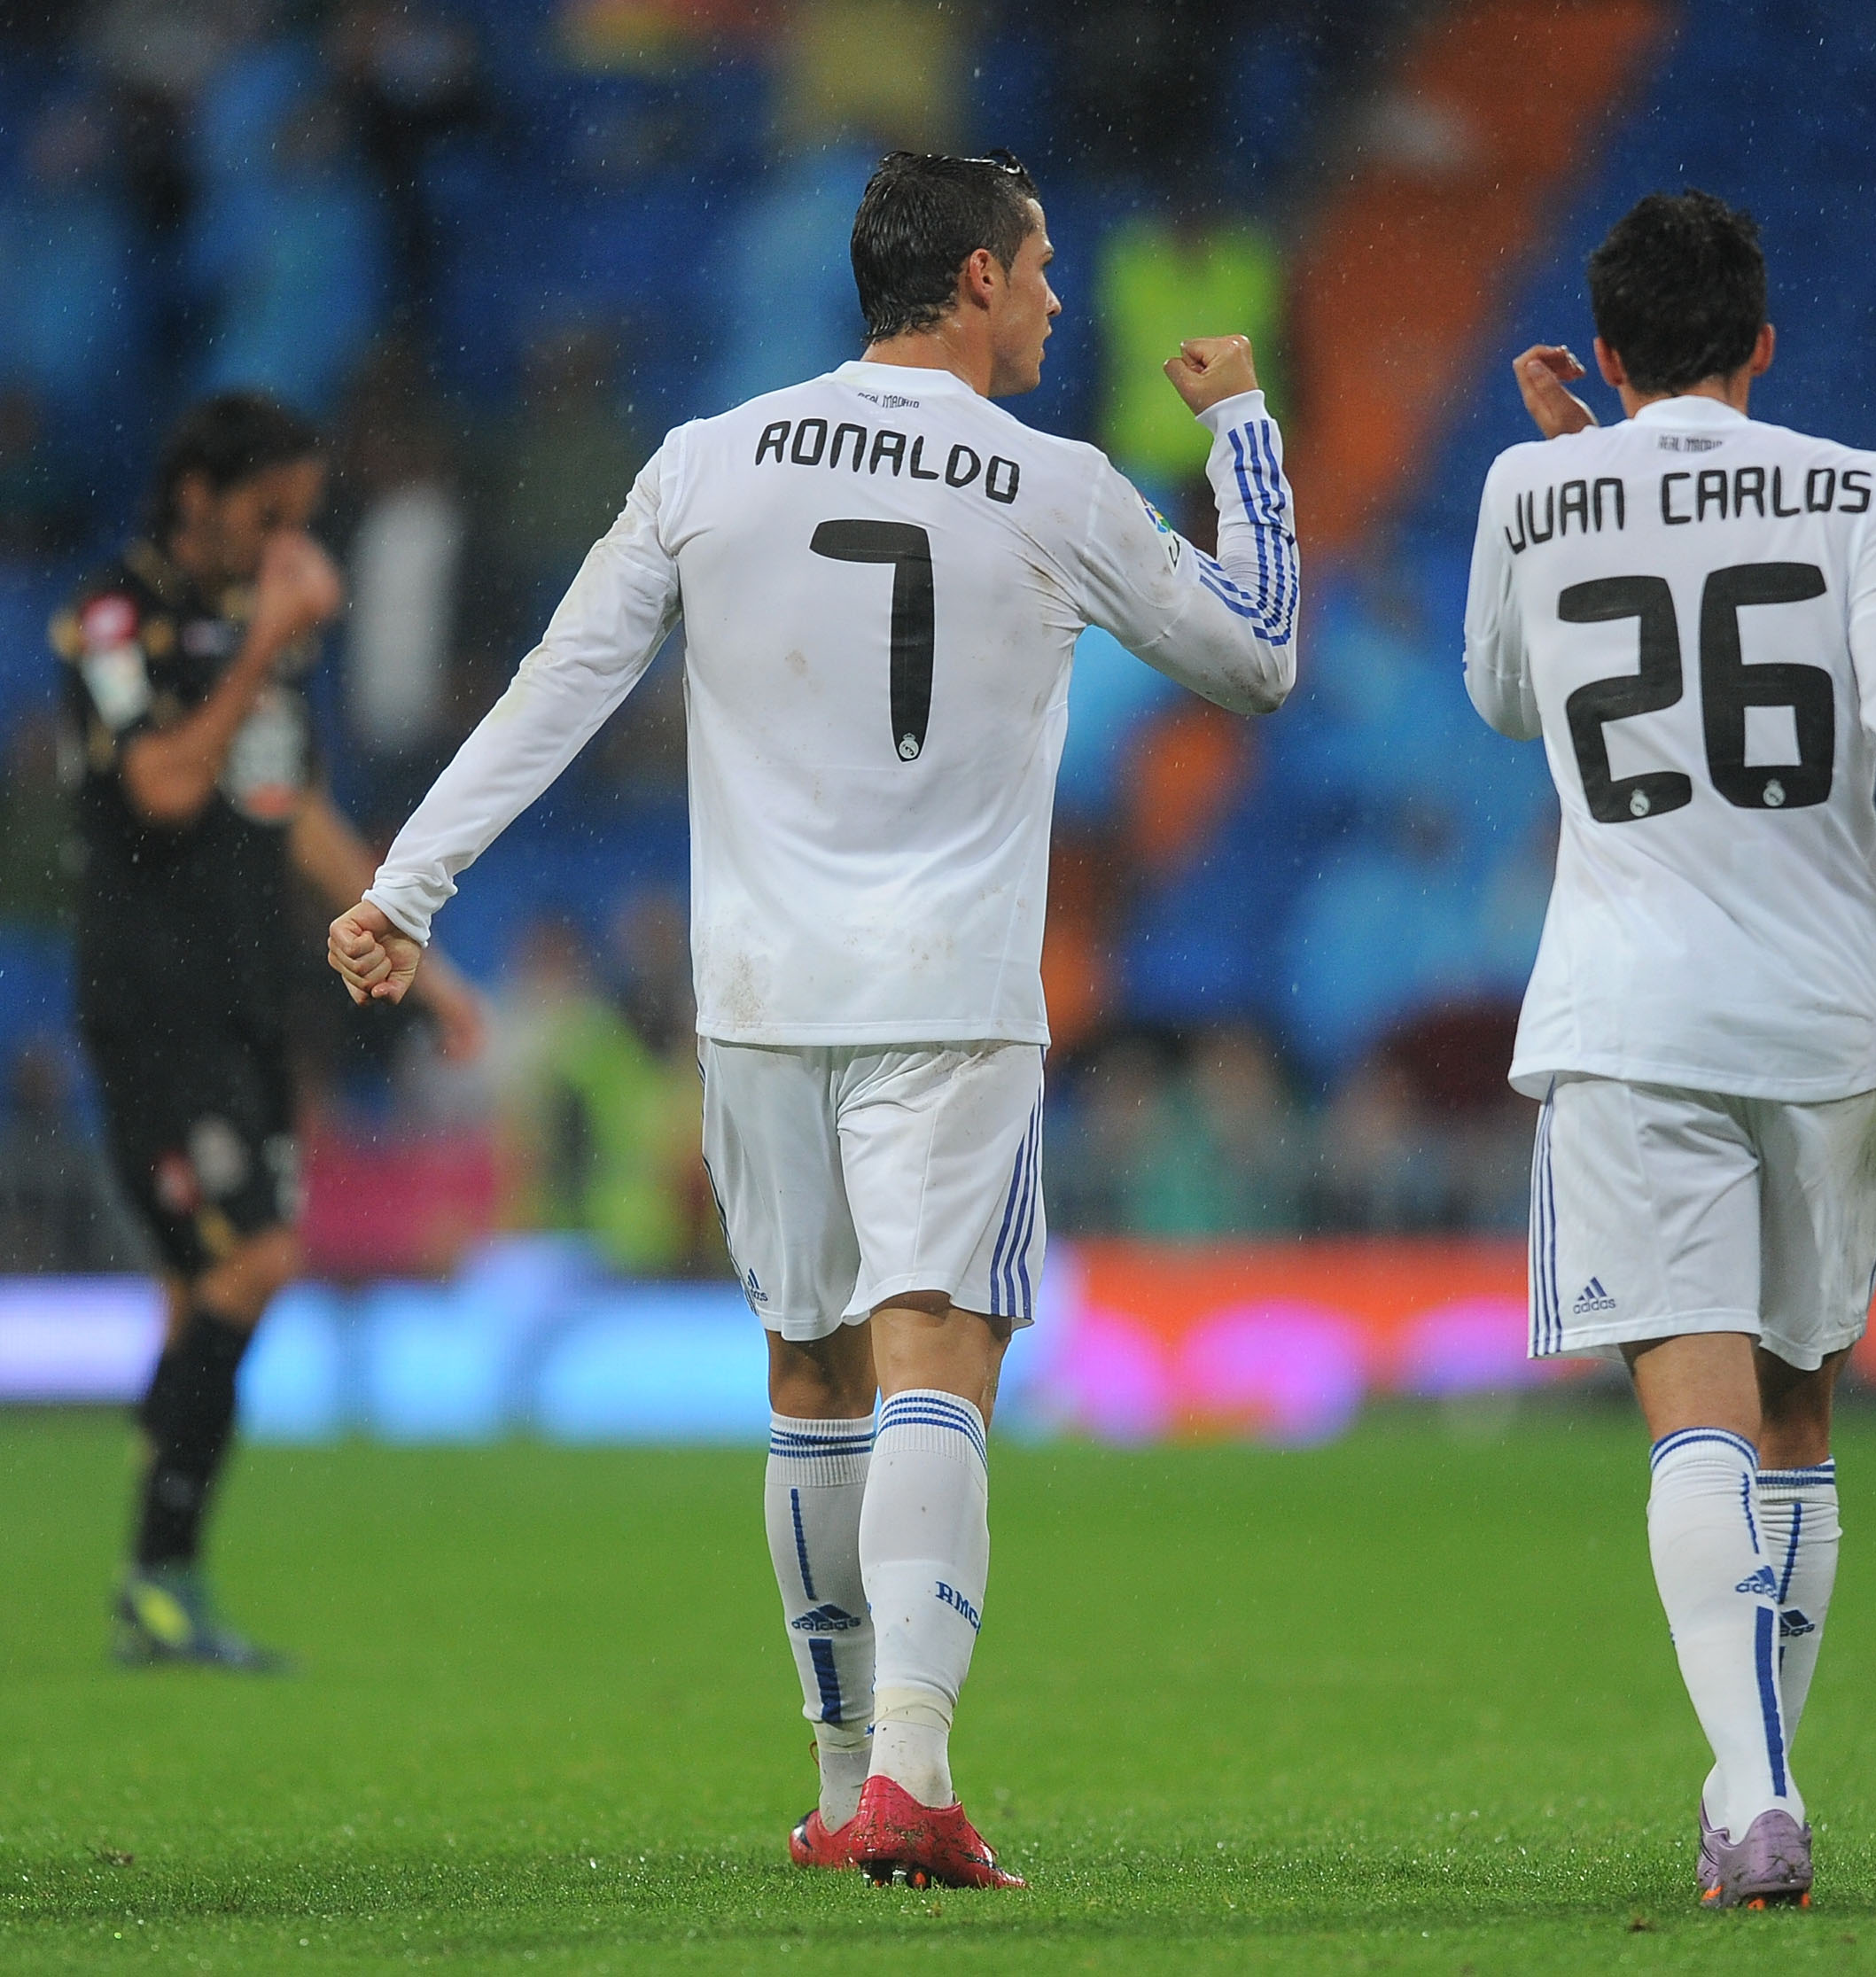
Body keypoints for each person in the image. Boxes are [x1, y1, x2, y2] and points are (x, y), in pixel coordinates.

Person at [324, 150, 1297, 1890]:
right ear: (980, 281)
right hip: (950, 996)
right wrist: (1245, 436)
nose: (1064, 299)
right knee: (937, 1354)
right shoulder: (1053, 483)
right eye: (1047, 266)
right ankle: (912, 1771)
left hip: (761, 999)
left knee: (810, 1376)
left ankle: (843, 1775)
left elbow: (562, 678)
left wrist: (412, 883)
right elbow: (1259, 654)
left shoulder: (712, 457)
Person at [1468, 190, 1876, 1910]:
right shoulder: (1863, 492)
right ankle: (1760, 1781)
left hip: (1629, 1012)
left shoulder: (1528, 488)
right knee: (1794, 1408)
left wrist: (1575, 483)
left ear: (1608, 352)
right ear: (1764, 344)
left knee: (1689, 1417)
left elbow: (1507, 699)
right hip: (1825, 1009)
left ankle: (1753, 1789)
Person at [54, 390, 486, 1669]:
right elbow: (163, 784)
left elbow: (288, 808)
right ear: (198, 497)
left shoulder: (264, 631)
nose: (287, 540)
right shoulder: (114, 618)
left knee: (212, 1290)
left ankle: (163, 1581)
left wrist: (425, 954)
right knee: (249, 1266)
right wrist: (265, 644)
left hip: (249, 995)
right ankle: (157, 1576)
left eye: (303, 518)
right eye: (269, 515)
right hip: (153, 998)